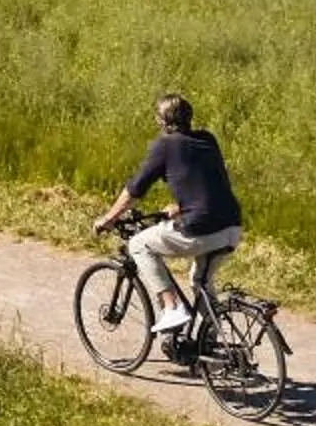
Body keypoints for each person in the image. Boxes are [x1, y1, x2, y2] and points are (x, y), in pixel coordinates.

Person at [93, 94, 243, 340]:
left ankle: (172, 308)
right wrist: (182, 206)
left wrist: (108, 218)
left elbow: (134, 190)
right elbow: (210, 181)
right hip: (231, 227)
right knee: (200, 280)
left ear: (162, 121)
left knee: (138, 244)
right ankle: (211, 342)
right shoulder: (207, 139)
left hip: (201, 229)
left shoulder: (164, 146)